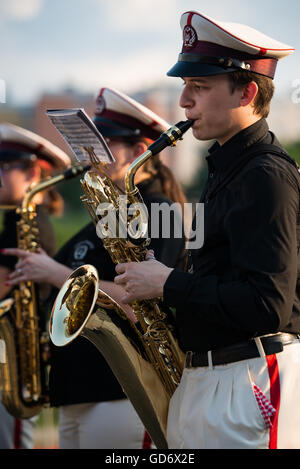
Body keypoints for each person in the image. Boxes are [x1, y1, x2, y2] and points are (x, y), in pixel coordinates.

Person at [113, 11, 300, 450]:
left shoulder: (265, 174)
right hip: (210, 380)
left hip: (248, 381)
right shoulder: (224, 169)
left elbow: (267, 303)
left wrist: (169, 283)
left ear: (248, 91)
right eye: (185, 86)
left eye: (199, 87)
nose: (184, 101)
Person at [4, 87, 187, 449]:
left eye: (103, 142)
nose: (88, 153)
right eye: (88, 141)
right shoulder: (104, 213)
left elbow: (146, 305)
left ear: (138, 151)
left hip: (122, 390)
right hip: (79, 388)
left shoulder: (160, 210)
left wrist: (53, 274)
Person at [0, 123, 71, 449]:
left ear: (31, 173)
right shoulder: (16, 220)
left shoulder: (27, 224)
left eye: (2, 168)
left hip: (13, 362)